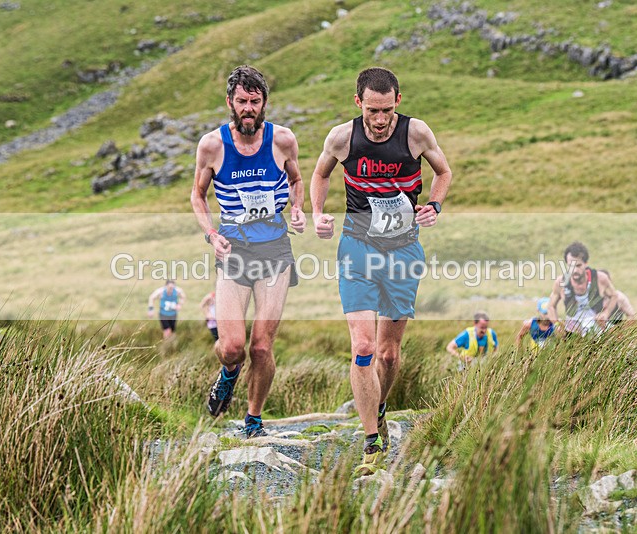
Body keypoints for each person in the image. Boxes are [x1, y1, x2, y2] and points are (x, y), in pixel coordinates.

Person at [310, 67, 452, 475]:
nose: (379, 119)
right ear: (358, 103)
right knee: (363, 347)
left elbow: (443, 172)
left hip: (404, 250)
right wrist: (318, 214)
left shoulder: (416, 134)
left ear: (398, 102)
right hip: (357, 248)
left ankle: (380, 405)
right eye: (372, 110)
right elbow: (320, 174)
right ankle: (372, 442)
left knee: (389, 354)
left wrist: (434, 206)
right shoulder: (341, 138)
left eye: (387, 110)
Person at [190, 65, 306, 438]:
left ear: (264, 104)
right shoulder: (212, 145)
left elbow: (297, 179)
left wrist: (298, 208)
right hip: (233, 249)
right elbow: (197, 195)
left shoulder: (283, 140)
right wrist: (211, 234)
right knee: (233, 347)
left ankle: (253, 419)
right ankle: (227, 374)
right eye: (242, 101)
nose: (248, 108)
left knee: (260, 347)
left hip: (274, 249)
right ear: (230, 103)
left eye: (255, 102)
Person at [547, 241, 618, 337]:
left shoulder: (600, 279)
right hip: (573, 335)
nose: (575, 270)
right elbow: (551, 306)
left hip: (598, 333)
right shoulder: (561, 282)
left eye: (578, 265)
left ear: (586, 263)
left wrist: (606, 313)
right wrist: (556, 324)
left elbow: (614, 295)